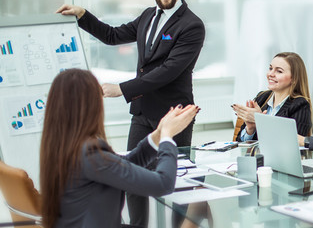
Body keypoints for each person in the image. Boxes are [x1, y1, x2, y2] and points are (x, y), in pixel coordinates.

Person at [56, 0, 205, 225]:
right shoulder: (147, 16)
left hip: (172, 116)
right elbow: (112, 35)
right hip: (142, 112)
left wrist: (122, 89)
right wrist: (84, 14)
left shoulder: (192, 25)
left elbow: (168, 71)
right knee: (132, 177)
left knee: (178, 184)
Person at [39, 69, 199, 228]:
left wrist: (157, 134)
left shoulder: (65, 148)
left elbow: (124, 165)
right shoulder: (90, 155)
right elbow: (163, 184)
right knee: (193, 216)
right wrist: (167, 137)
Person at [231, 52, 312, 141]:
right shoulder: (262, 97)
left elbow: (294, 142)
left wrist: (261, 121)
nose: (271, 74)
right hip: (255, 155)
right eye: (270, 68)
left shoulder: (300, 105)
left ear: (294, 79)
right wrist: (250, 129)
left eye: (279, 71)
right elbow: (238, 143)